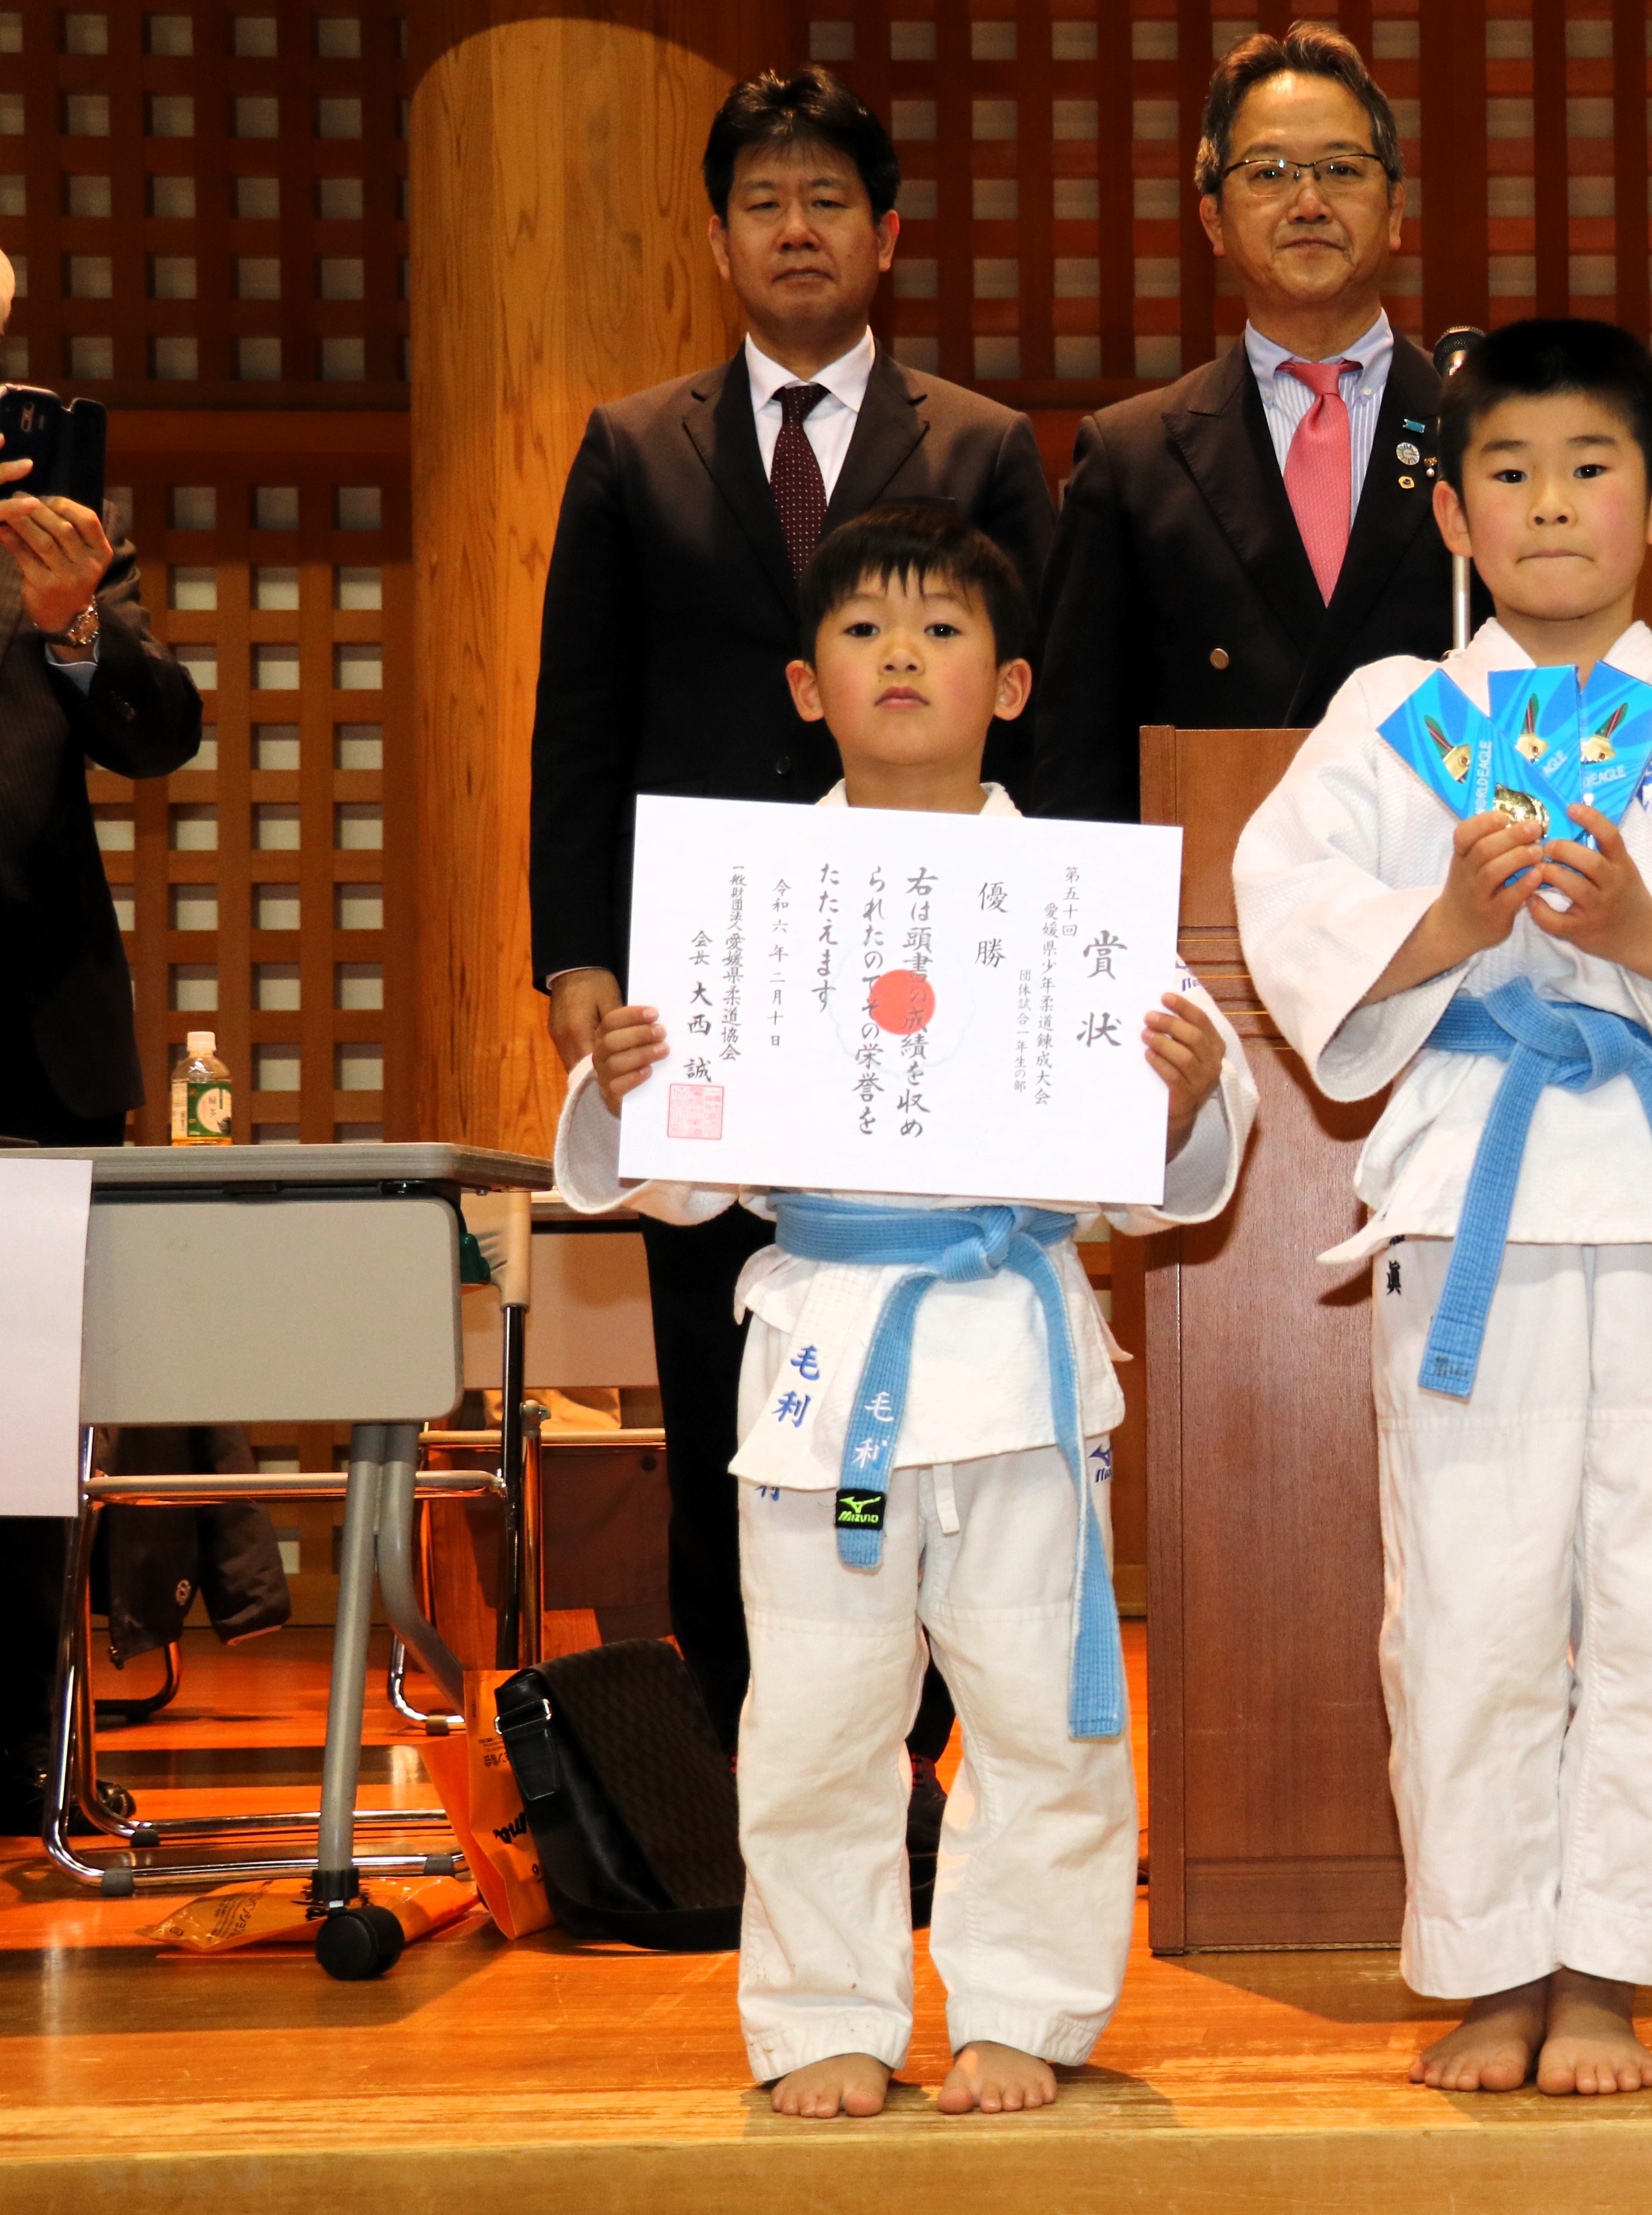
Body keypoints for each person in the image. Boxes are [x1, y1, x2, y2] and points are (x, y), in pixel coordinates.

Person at [1232, 321, 1652, 2095]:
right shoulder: (1396, 716)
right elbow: (1286, 894)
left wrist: (1648, 937)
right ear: (1450, 511)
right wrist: (1451, 925)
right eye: (1506, 473)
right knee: (1467, 1595)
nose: (1548, 507)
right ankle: (1489, 1963)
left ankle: (1606, 1970)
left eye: (1590, 468)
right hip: (1468, 1200)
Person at [547, 504, 1255, 2116]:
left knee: (1035, 1713)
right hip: (820, 1363)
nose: (903, 660)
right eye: (864, 634)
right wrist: (623, 1091)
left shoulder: (1085, 906)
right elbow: (660, 1188)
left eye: (942, 632)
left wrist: (1189, 1097)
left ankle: (1024, 2007)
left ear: (1012, 683)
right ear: (807, 687)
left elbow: (1173, 1185)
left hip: (1013, 1356)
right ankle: (824, 2018)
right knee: (809, 1720)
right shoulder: (742, 897)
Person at [528, 66, 1057, 1800]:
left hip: (933, 981)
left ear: (887, 234)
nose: (799, 230)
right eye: (766, 204)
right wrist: (578, 963)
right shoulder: (631, 444)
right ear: (719, 240)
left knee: (956, 1405)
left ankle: (911, 1769)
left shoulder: (979, 444)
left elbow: (1034, 734)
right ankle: (752, 1764)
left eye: (831, 201)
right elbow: (580, 721)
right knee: (722, 1392)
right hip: (722, 989)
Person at [1032, 24, 1459, 826]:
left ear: (1396, 209)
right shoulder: (1134, 459)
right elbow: (1077, 765)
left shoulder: (1478, 432)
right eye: (1268, 173)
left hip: (1449, 906)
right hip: (1208, 914)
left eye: (1341, 169)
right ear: (1214, 222)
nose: (1308, 202)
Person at [0, 241, 214, 1833]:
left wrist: (76, 627)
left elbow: (159, 729)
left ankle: (22, 1772)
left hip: (32, 1043)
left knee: (19, 1455)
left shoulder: (46, 516)